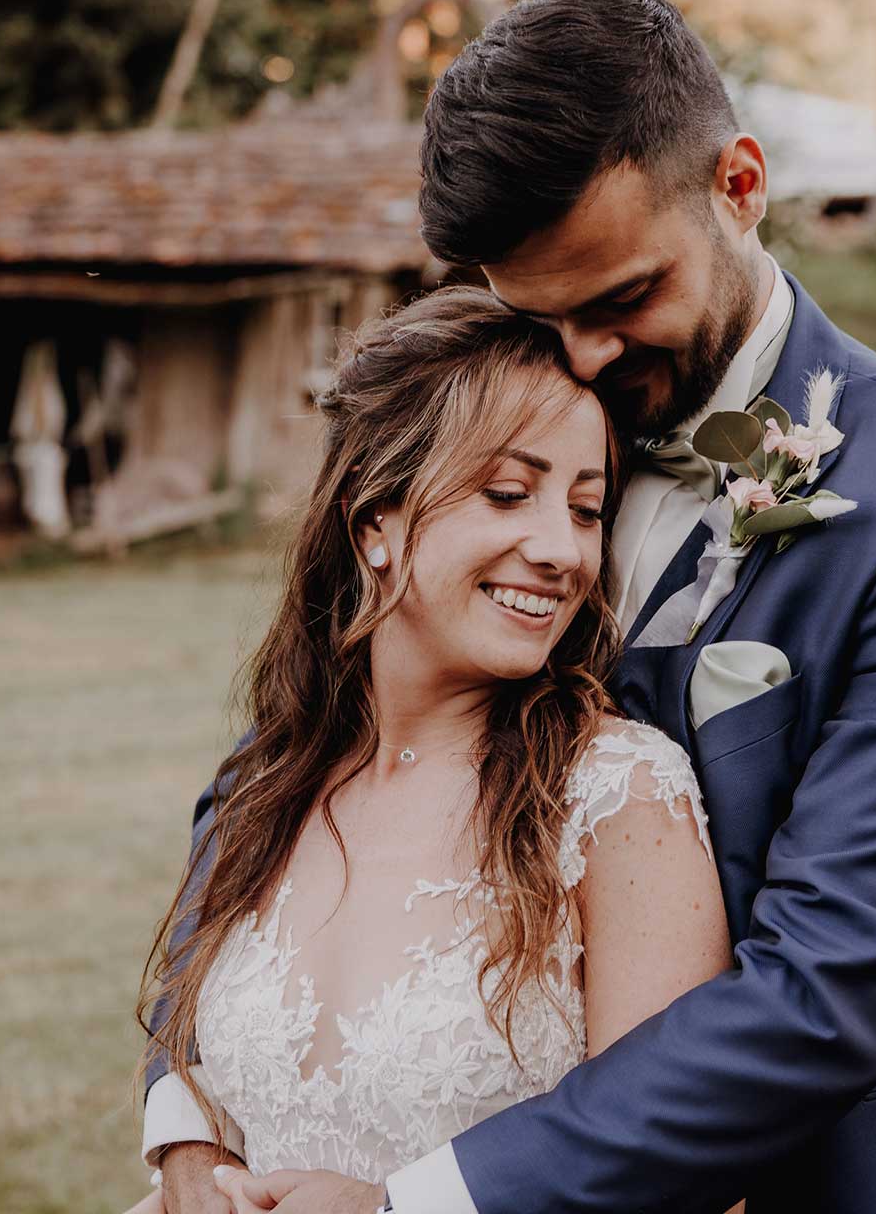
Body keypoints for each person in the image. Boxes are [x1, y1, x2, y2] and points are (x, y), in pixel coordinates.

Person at [146, 0, 876, 1214]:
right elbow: (296, 759)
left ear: (740, 185)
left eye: (622, 298)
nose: (582, 357)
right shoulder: (525, 419)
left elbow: (834, 978)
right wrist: (186, 1115)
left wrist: (415, 1202)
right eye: (542, 314)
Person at [127, 286, 735, 1214]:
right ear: (376, 521)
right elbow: (197, 1041)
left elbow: (690, 1186)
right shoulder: (269, 785)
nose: (561, 551)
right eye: (507, 495)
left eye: (584, 509)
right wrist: (190, 1150)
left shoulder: (617, 795)